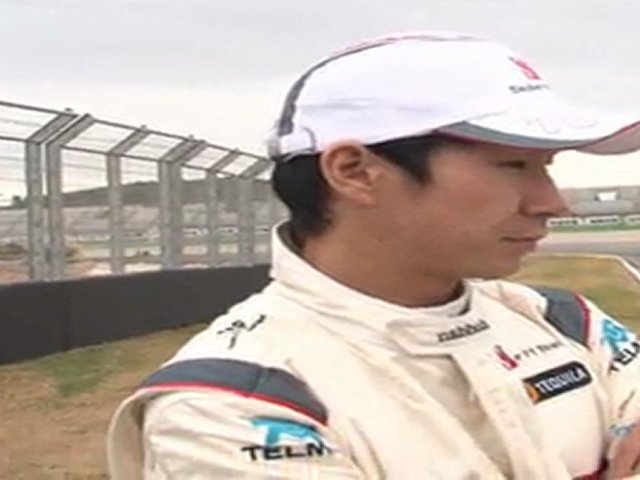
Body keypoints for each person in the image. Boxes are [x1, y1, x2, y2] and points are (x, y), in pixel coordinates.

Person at [107, 31, 640, 479]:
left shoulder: (567, 323)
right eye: (513, 166)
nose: (551, 203)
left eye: (546, 166)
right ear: (355, 172)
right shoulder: (235, 404)